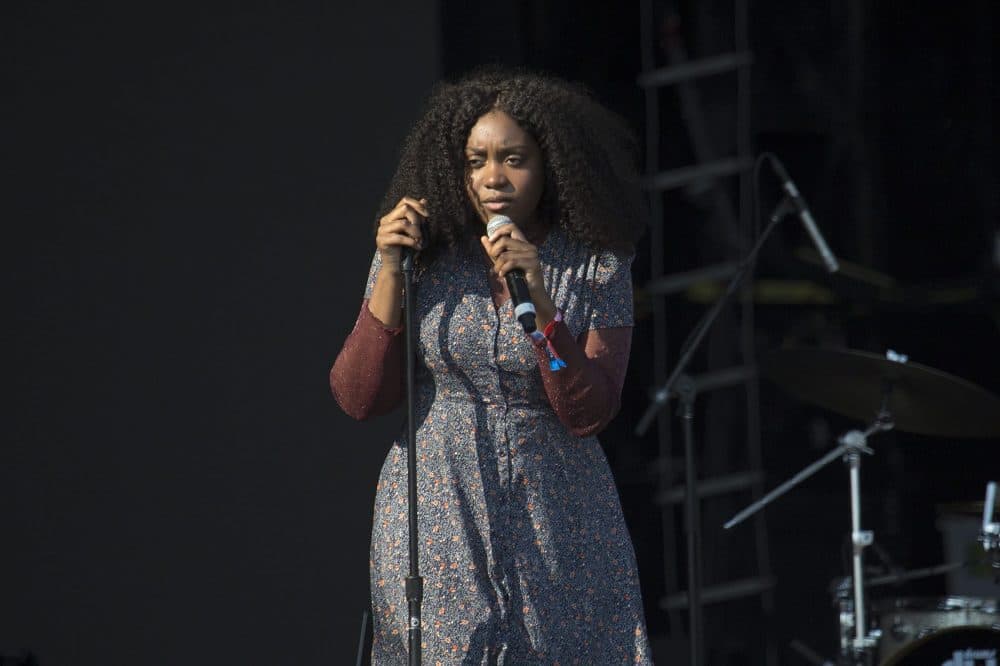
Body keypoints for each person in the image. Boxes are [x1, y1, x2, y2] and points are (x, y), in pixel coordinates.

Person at [330, 67, 652, 664]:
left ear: (552, 165)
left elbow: (587, 411)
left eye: (514, 159)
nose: (492, 178)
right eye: (476, 160)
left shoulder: (596, 264)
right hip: (439, 501)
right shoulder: (423, 254)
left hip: (558, 509)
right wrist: (391, 271)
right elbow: (358, 398)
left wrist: (541, 300)